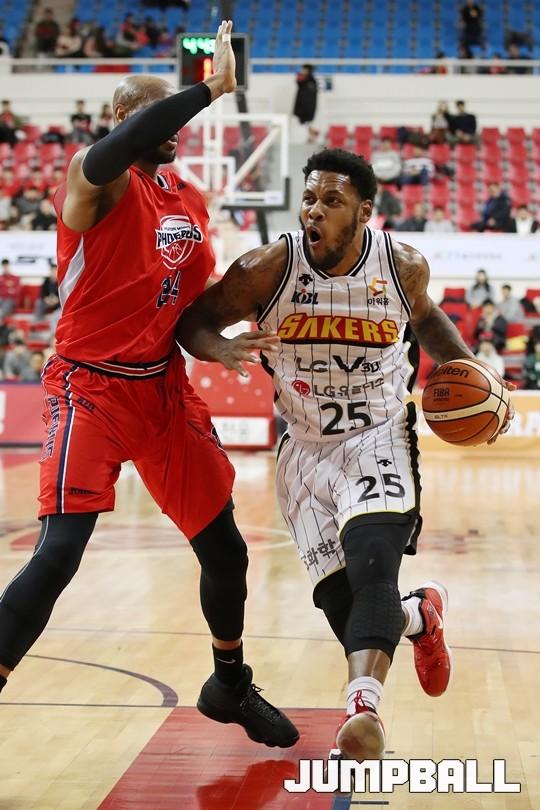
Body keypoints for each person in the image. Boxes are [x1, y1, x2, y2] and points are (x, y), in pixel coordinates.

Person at [0, 21, 298, 751]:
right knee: (59, 553)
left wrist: (219, 346)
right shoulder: (92, 182)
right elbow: (119, 148)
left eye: (173, 114)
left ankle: (229, 683)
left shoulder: (188, 199)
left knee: (226, 551)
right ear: (120, 120)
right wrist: (210, 88)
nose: (173, 127)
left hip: (161, 389)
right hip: (90, 388)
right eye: (153, 113)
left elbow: (187, 316)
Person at [178, 146, 515, 760]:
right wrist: (219, 349)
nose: (314, 210)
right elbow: (193, 323)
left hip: (378, 435)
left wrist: (478, 373)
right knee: (344, 606)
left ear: (363, 212)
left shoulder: (401, 266)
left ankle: (364, 710)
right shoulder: (266, 269)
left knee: (374, 566)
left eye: (331, 201)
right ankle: (420, 617)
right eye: (309, 198)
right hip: (304, 449)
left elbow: (427, 320)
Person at [293, 64, 319, 143]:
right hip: (301, 105)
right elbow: (298, 82)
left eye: (304, 69)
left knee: (307, 121)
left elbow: (311, 95)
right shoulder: (303, 79)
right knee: (305, 122)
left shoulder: (312, 81)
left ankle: (312, 135)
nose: (302, 71)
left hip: (308, 106)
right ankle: (312, 134)